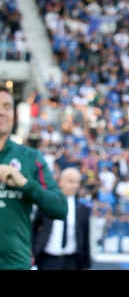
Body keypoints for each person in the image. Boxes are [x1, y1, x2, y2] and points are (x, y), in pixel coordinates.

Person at [0, 82, 68, 270]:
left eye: (7, 107)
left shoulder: (30, 157)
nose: (1, 112)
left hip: (16, 265)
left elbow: (60, 208)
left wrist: (25, 184)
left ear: (13, 115)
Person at [32, 167, 92, 270]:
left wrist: (87, 264)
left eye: (78, 182)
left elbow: (85, 237)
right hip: (48, 260)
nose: (75, 186)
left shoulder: (82, 209)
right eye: (71, 181)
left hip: (73, 261)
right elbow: (34, 228)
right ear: (61, 181)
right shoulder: (48, 203)